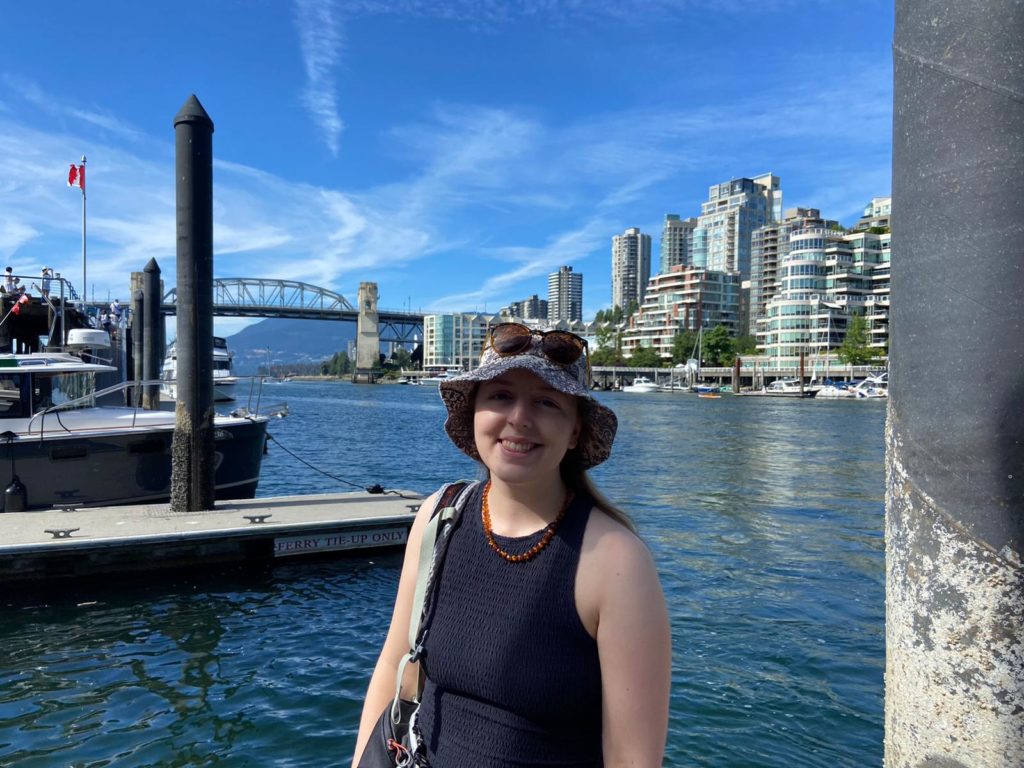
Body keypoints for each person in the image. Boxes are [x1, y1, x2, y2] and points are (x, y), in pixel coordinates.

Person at [354, 323, 671, 768]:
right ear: (475, 413)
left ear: (576, 431)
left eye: (546, 402)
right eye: (500, 396)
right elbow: (392, 669)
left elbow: (632, 758)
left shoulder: (616, 562)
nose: (519, 418)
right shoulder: (438, 516)